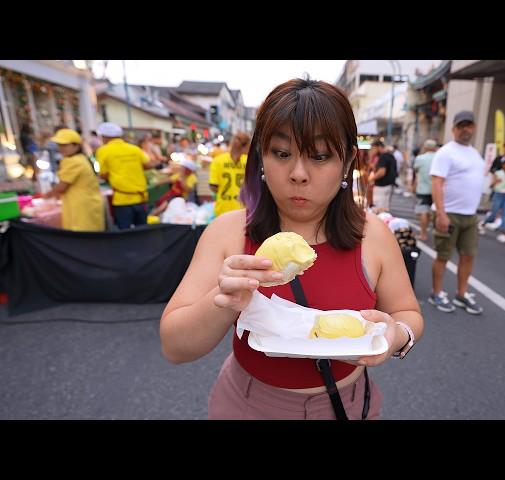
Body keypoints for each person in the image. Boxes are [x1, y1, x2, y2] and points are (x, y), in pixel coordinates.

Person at [160, 78, 424, 420]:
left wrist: (397, 335)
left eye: (320, 156)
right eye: (281, 153)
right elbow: (175, 348)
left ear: (346, 163)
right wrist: (222, 301)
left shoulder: (373, 235)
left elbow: (408, 314)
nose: (298, 173)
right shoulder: (227, 232)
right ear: (261, 158)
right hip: (249, 405)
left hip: (347, 404)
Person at [428, 110, 485, 315]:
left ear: (474, 128)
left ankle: (461, 294)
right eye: (461, 126)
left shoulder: (475, 153)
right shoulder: (446, 152)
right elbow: (437, 183)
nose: (465, 129)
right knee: (443, 256)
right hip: (449, 213)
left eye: (469, 125)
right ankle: (436, 293)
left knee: (468, 256)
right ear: (453, 129)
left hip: (470, 215)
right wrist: (441, 214)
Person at [95, 122, 158, 229]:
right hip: (140, 197)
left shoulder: (103, 151)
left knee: (125, 233)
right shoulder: (134, 149)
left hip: (122, 199)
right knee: (142, 230)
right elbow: (148, 165)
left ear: (104, 137)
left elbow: (103, 175)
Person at [42, 128, 105, 232]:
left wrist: (47, 196)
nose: (61, 148)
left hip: (81, 207)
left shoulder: (73, 162)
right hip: (88, 204)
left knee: (83, 239)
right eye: (59, 145)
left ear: (76, 145)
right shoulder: (81, 158)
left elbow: (62, 187)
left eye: (65, 145)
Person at [208, 131, 251, 218]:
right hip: (244, 210)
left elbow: (213, 187)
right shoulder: (250, 162)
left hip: (223, 209)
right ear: (247, 146)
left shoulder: (218, 160)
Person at [481, 155, 505, 243]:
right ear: (503, 164)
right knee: (494, 213)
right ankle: (484, 223)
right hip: (498, 194)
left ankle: (502, 231)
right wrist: (495, 182)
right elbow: (492, 185)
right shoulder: (498, 173)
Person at [412, 139, 438, 241]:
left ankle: (423, 234)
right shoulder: (438, 157)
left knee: (423, 211)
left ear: (425, 147)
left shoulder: (420, 158)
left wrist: (413, 184)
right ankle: (437, 234)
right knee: (435, 211)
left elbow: (416, 172)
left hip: (423, 189)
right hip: (437, 189)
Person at [368, 140, 396, 212]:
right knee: (384, 209)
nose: (372, 150)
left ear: (379, 147)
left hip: (381, 186)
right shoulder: (390, 155)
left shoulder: (383, 156)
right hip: (389, 185)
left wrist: (371, 178)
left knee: (378, 209)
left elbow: (381, 172)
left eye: (373, 148)